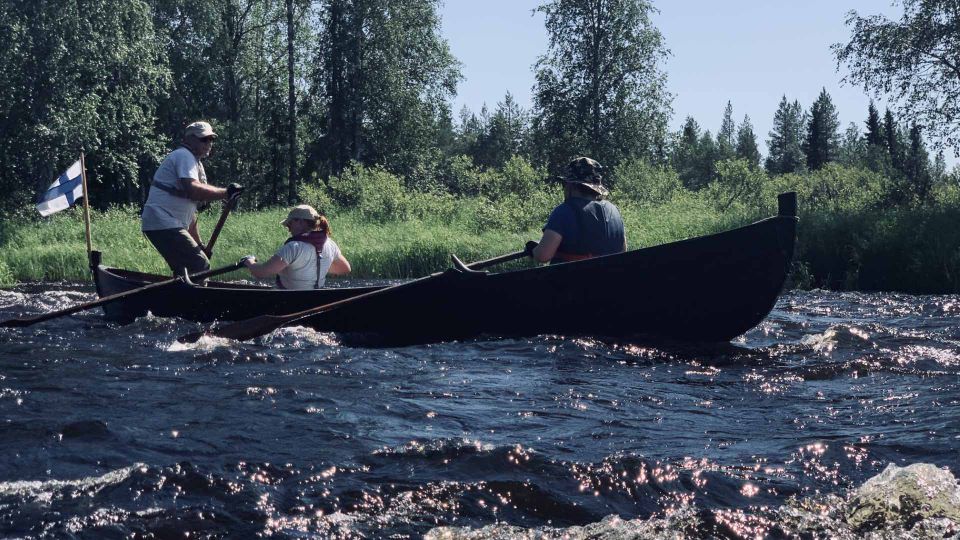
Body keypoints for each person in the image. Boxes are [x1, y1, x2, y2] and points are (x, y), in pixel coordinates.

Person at [141, 121, 243, 275]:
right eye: (204, 139)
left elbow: (191, 213)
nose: (208, 143)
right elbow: (194, 190)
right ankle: (195, 299)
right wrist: (226, 193)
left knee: (186, 270)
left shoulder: (194, 162)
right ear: (189, 139)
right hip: (162, 221)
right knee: (199, 264)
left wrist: (199, 244)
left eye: (211, 139)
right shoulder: (184, 155)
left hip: (166, 223)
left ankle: (177, 296)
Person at [529, 156, 626, 264]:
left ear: (571, 186)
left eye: (564, 184)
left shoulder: (564, 211)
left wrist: (534, 250)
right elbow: (623, 251)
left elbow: (543, 256)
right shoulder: (614, 211)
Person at [243, 204, 351, 289]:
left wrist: (249, 261)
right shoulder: (330, 244)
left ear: (300, 222)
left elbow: (261, 272)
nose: (288, 228)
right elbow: (344, 268)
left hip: (289, 301)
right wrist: (317, 266)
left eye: (290, 224)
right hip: (317, 299)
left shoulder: (293, 247)